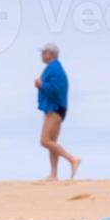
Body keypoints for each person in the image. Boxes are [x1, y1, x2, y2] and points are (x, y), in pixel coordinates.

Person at [35, 43, 80, 181]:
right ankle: (53, 175)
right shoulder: (54, 68)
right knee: (52, 142)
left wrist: (41, 84)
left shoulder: (54, 67)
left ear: (50, 54)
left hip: (55, 108)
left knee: (44, 141)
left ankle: (72, 159)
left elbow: (56, 88)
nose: (41, 55)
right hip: (57, 108)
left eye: (44, 52)